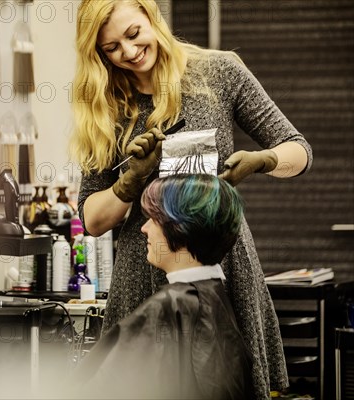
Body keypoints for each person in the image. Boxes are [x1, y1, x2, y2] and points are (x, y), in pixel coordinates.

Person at [69, 1, 313, 398]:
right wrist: (129, 182)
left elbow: (299, 152)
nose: (129, 53)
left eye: (133, 34)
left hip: (221, 263)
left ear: (152, 17)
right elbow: (93, 220)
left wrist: (264, 160)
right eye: (112, 48)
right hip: (144, 269)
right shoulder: (105, 103)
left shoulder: (220, 71)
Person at [76, 174, 253, 399]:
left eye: (153, 218)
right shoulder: (218, 301)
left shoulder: (167, 309)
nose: (144, 229)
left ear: (179, 227)